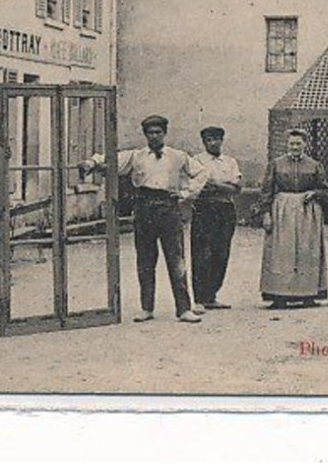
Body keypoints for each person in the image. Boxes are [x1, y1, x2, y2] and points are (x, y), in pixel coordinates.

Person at [85, 115, 204, 323]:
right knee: (145, 260)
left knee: (176, 259)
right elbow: (109, 158)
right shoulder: (136, 156)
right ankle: (146, 308)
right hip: (144, 208)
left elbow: (201, 173)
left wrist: (186, 194)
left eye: (158, 132)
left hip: (169, 208)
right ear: (145, 135)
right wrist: (92, 161)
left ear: (164, 134)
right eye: (150, 133)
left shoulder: (178, 156)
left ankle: (184, 309)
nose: (154, 136)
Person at [259, 128, 328, 308]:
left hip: (307, 212)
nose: (295, 147)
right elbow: (266, 190)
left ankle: (308, 295)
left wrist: (314, 192)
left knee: (307, 251)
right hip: (282, 210)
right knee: (281, 252)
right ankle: (279, 296)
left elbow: (326, 190)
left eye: (299, 143)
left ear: (305, 144)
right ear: (287, 144)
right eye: (292, 143)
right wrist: (266, 213)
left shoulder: (315, 165)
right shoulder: (276, 164)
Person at [189, 126, 243, 310]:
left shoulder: (230, 162)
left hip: (226, 209)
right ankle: (199, 297)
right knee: (202, 252)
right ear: (204, 142)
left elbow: (237, 188)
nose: (213, 143)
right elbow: (198, 187)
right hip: (204, 209)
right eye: (209, 140)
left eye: (216, 139)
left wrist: (215, 183)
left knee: (221, 252)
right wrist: (223, 185)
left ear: (222, 140)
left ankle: (212, 295)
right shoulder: (196, 160)